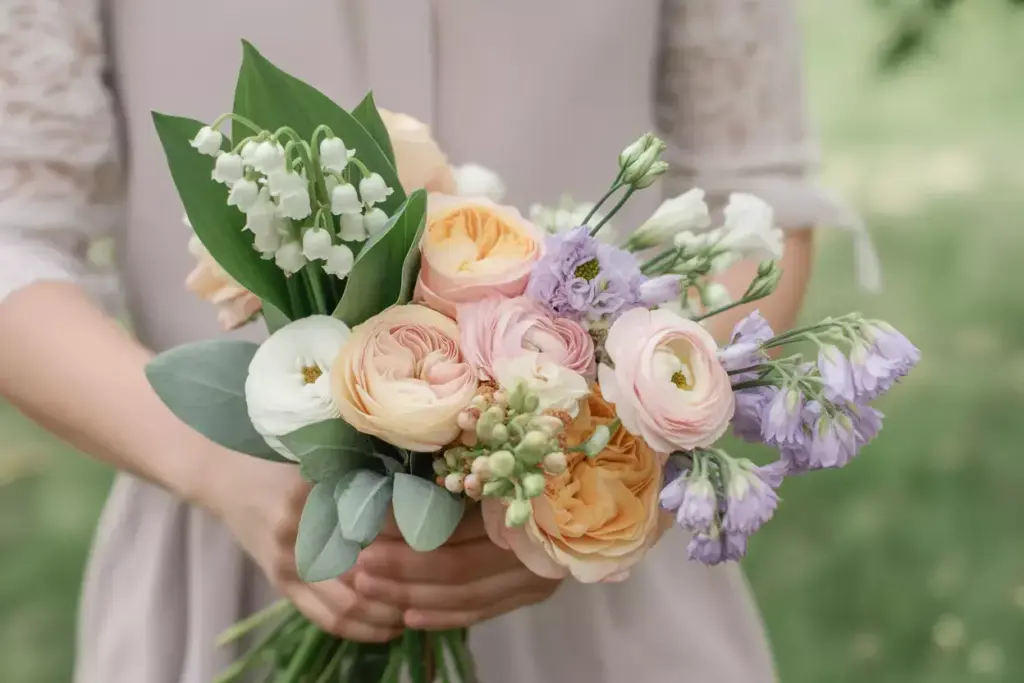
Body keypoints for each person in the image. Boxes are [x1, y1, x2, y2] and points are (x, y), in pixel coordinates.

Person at [0, 1, 873, 681]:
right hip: (227, 551)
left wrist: (586, 474)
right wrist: (221, 469)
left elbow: (754, 204)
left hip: (602, 566)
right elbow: (13, 244)